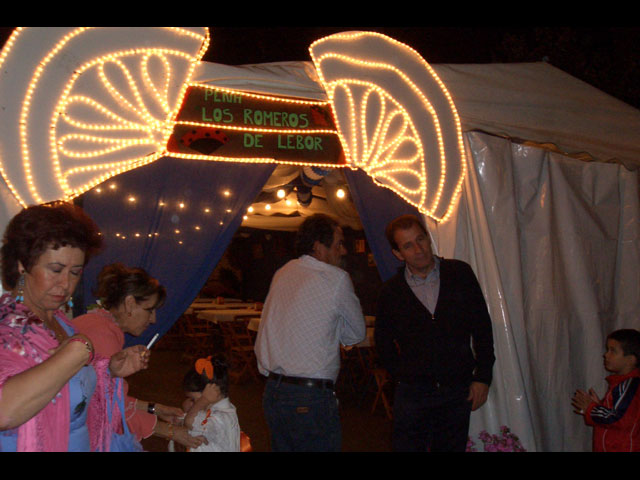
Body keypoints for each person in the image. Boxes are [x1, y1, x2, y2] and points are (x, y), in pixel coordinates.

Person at [0, 201, 148, 451]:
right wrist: (78, 350)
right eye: (55, 269)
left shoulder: (59, 321)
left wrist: (109, 368)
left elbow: (72, 385)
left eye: (75, 272)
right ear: (22, 265)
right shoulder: (8, 327)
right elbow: (5, 412)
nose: (66, 284)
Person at [375, 214, 495, 452]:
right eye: (408, 245)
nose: (418, 249)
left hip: (455, 390)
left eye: (420, 239)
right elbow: (383, 343)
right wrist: (403, 376)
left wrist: (482, 377)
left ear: (428, 239)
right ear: (398, 253)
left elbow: (482, 328)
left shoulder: (459, 274)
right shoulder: (391, 292)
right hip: (413, 394)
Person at [255, 213, 366, 452]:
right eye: (338, 244)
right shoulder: (336, 279)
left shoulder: (283, 272)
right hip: (310, 396)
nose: (343, 251)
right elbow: (356, 333)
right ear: (318, 247)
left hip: (273, 391)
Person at [72, 262, 206, 450]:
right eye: (149, 310)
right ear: (129, 303)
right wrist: (170, 431)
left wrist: (155, 408)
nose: (153, 319)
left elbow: (113, 397)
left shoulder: (98, 324)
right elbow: (110, 409)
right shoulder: (103, 335)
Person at [572, 328, 640, 452]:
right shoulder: (620, 384)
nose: (606, 355)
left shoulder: (631, 385)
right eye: (607, 350)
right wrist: (598, 406)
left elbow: (618, 417)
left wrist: (591, 408)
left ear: (631, 359)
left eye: (612, 351)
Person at [180, 355, 240, 452]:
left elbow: (190, 422)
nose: (192, 404)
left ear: (210, 393)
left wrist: (203, 400)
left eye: (193, 399)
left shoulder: (220, 417)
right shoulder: (215, 408)